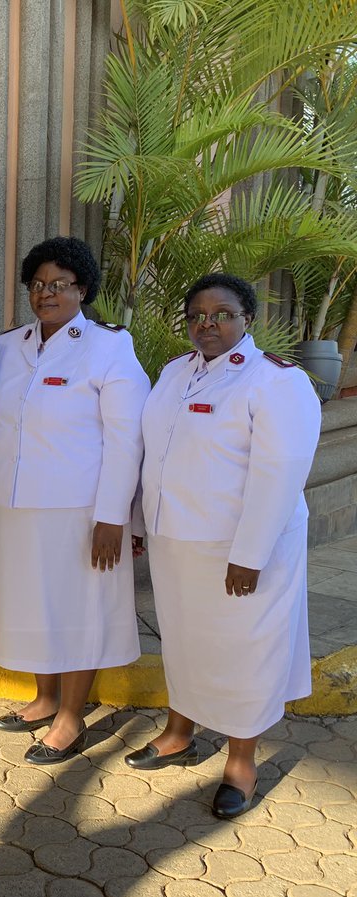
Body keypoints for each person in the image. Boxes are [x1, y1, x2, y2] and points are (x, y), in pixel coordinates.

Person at [129, 273, 320, 818]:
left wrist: (250, 553)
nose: (207, 324)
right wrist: (142, 523)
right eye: (197, 315)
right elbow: (152, 456)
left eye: (222, 314)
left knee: (244, 650)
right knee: (186, 642)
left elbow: (280, 471)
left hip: (239, 550)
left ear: (248, 320)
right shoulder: (172, 373)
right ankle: (178, 732)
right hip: (177, 541)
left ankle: (241, 762)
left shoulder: (276, 381)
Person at [0, 236, 149, 764]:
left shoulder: (108, 346)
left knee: (80, 609)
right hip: (13, 505)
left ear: (82, 289)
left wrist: (113, 516)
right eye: (38, 284)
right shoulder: (9, 346)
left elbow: (127, 437)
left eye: (59, 284)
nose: (46, 293)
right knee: (31, 605)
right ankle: (46, 697)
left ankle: (72, 719)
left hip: (80, 510)